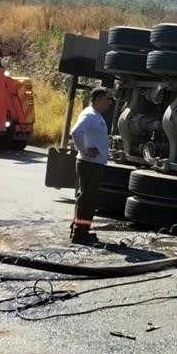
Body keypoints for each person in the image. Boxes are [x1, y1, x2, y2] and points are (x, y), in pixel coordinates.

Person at [69, 87, 113, 244]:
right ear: (99, 99)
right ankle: (80, 234)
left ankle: (79, 229)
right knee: (87, 199)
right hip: (89, 164)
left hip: (93, 164)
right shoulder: (89, 115)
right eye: (108, 99)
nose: (110, 102)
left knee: (87, 198)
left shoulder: (96, 115)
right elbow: (75, 132)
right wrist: (85, 150)